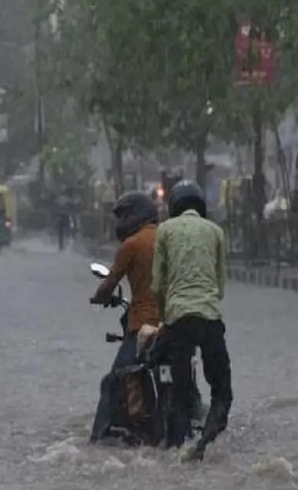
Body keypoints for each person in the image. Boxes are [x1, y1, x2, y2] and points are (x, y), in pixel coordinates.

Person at [151, 181, 232, 461]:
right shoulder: (216, 232)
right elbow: (220, 287)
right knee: (222, 390)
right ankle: (205, 441)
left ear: (173, 206)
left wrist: (165, 318)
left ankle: (175, 448)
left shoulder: (164, 231)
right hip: (210, 317)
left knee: (179, 391)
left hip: (177, 319)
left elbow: (157, 286)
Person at [88, 192, 163, 442]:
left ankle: (97, 440)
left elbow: (109, 283)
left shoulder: (131, 245)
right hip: (174, 321)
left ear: (135, 215)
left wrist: (99, 298)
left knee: (112, 381)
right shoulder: (169, 239)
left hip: (142, 323)